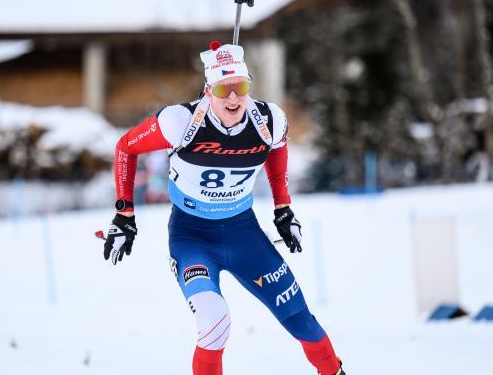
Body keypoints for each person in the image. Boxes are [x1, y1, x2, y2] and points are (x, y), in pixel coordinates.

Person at [103, 41, 345, 375]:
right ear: (208, 90)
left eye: (240, 87)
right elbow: (125, 148)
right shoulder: (180, 121)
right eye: (222, 89)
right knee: (215, 322)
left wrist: (283, 209)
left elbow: (278, 151)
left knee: (300, 319)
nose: (233, 98)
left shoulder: (269, 120)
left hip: (244, 235)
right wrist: (124, 214)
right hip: (192, 239)